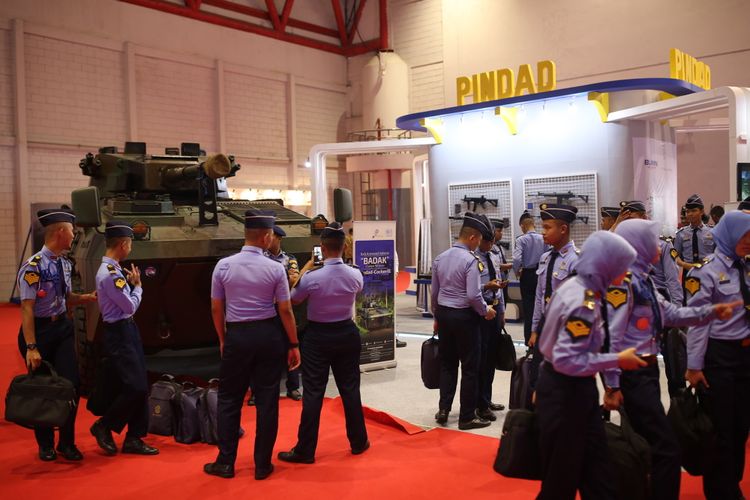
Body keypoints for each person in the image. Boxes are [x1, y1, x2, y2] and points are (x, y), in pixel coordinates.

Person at [603, 219, 738, 500]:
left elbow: (671, 314)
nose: (659, 245)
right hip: (632, 375)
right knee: (666, 449)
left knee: (646, 445)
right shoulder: (623, 284)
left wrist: (710, 312)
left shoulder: (644, 279)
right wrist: (613, 385)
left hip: (648, 372)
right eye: (652, 240)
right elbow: (612, 338)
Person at [535, 231, 647, 499]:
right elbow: (567, 360)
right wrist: (618, 360)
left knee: (598, 474)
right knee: (561, 480)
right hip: (567, 393)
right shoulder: (582, 301)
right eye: (621, 268)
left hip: (570, 390)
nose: (625, 275)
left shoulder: (579, 287)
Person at [204, 209, 301, 480]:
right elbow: (285, 310)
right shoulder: (275, 268)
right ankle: (262, 465)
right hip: (268, 335)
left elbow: (215, 307)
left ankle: (225, 462)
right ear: (267, 236)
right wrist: (293, 343)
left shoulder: (223, 266)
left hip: (237, 335)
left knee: (230, 398)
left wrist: (223, 339)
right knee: (268, 399)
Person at [277, 222, 369, 464]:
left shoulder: (312, 277)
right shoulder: (355, 273)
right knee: (350, 389)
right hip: (347, 333)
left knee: (314, 393)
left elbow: (294, 300)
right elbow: (358, 290)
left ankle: (305, 450)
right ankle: (359, 441)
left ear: (322, 248)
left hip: (318, 337)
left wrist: (307, 267)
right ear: (343, 246)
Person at [16, 208, 97, 461]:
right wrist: (31, 347)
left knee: (70, 386)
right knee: (44, 388)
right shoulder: (33, 267)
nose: (74, 236)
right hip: (38, 332)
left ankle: (67, 442)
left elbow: (67, 298)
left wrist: (88, 298)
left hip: (61, 328)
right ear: (61, 232)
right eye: (72, 231)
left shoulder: (63, 262)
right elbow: (27, 309)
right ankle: (46, 444)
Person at [685, 210, 750, 499]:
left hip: (745, 358)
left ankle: (731, 481)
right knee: (720, 428)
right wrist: (694, 365)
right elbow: (698, 323)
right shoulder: (704, 271)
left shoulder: (745, 267)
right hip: (719, 357)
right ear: (729, 235)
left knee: (740, 426)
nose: (749, 241)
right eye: (744, 235)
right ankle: (721, 490)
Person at [90, 221, 159, 457]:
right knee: (135, 386)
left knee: (140, 383)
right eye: (129, 244)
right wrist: (138, 287)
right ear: (123, 244)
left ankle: (134, 437)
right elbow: (129, 306)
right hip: (119, 332)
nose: (130, 249)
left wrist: (129, 285)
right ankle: (104, 425)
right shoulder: (110, 273)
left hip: (126, 330)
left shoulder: (115, 270)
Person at [431, 212, 496, 430]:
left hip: (444, 314)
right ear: (472, 238)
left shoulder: (440, 258)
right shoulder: (471, 260)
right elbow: (473, 295)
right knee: (470, 367)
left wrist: (436, 316)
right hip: (465, 317)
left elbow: (434, 292)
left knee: (448, 364)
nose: (478, 244)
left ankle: (443, 409)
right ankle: (467, 417)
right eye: (478, 239)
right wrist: (485, 311)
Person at [616, 200, 686, 396]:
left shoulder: (662, 246)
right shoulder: (621, 247)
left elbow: (673, 281)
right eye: (625, 217)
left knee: (673, 364)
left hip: (659, 301)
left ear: (644, 217)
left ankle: (677, 405)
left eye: (632, 216)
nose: (628, 220)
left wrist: (677, 311)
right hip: (634, 308)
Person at [528, 204, 580, 391]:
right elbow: (540, 296)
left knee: (562, 384)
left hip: (565, 329)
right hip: (544, 325)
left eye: (547, 227)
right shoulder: (545, 258)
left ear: (563, 229)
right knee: (537, 381)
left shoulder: (576, 260)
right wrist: (535, 329)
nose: (543, 232)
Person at [265, 224, 302, 401]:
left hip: (283, 308)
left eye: (271, 236)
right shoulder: (260, 258)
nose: (267, 238)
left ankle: (293, 387)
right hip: (264, 309)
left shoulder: (290, 259)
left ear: (278, 239)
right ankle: (260, 390)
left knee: (290, 345)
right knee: (263, 350)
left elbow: (294, 280)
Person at [476, 215, 506, 421]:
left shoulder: (494, 256)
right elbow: (469, 290)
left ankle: (487, 399)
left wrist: (502, 312)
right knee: (481, 361)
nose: (491, 245)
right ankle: (479, 403)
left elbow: (500, 288)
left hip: (495, 311)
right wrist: (487, 286)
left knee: (491, 359)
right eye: (488, 242)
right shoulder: (473, 259)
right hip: (481, 313)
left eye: (493, 242)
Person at [512, 211, 546, 345]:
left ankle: (529, 342)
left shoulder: (521, 239)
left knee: (528, 309)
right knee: (542, 306)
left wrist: (517, 271)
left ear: (522, 226)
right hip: (541, 273)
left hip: (527, 275)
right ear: (533, 224)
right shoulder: (543, 238)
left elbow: (516, 258)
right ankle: (541, 339)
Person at [673, 194, 716, 289]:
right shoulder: (681, 234)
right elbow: (675, 256)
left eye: (694, 211)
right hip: (688, 273)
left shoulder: (713, 232)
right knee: (690, 301)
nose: (690, 214)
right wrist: (685, 265)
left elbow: (718, 255)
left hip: (708, 272)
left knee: (709, 302)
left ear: (702, 211)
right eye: (688, 211)